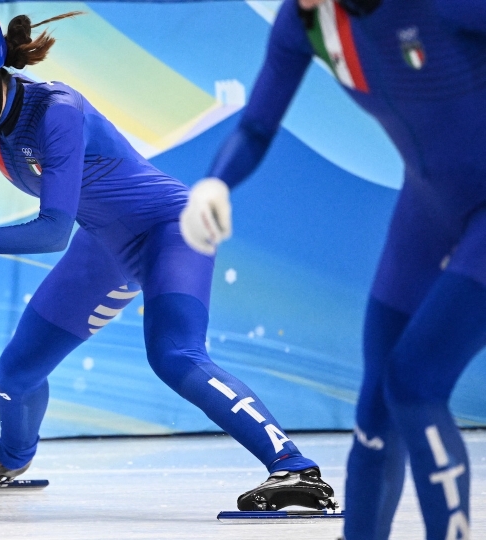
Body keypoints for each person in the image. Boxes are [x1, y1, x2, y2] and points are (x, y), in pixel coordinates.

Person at [0, 14, 336, 510]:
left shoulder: (56, 111)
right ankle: (10, 456)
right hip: (104, 247)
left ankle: (295, 468)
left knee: (175, 355)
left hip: (171, 232)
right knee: (17, 371)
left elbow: (51, 232)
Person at [179, 0, 486, 537]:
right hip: (428, 207)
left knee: (414, 383)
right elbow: (255, 128)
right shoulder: (305, 20)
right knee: (375, 416)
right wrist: (216, 181)